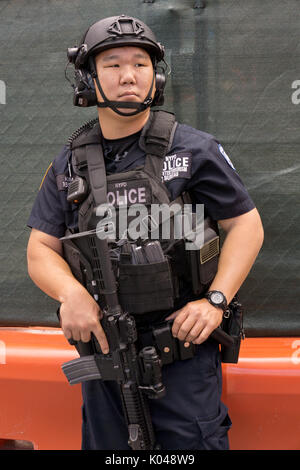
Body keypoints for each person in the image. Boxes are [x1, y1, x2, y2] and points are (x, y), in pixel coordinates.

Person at [27, 15, 264, 450]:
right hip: (106, 353)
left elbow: (246, 224)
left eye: (140, 63)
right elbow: (40, 247)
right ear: (88, 78)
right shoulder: (70, 162)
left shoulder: (193, 149)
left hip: (182, 354)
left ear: (155, 77)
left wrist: (215, 301)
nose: (128, 76)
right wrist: (71, 294)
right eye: (112, 64)